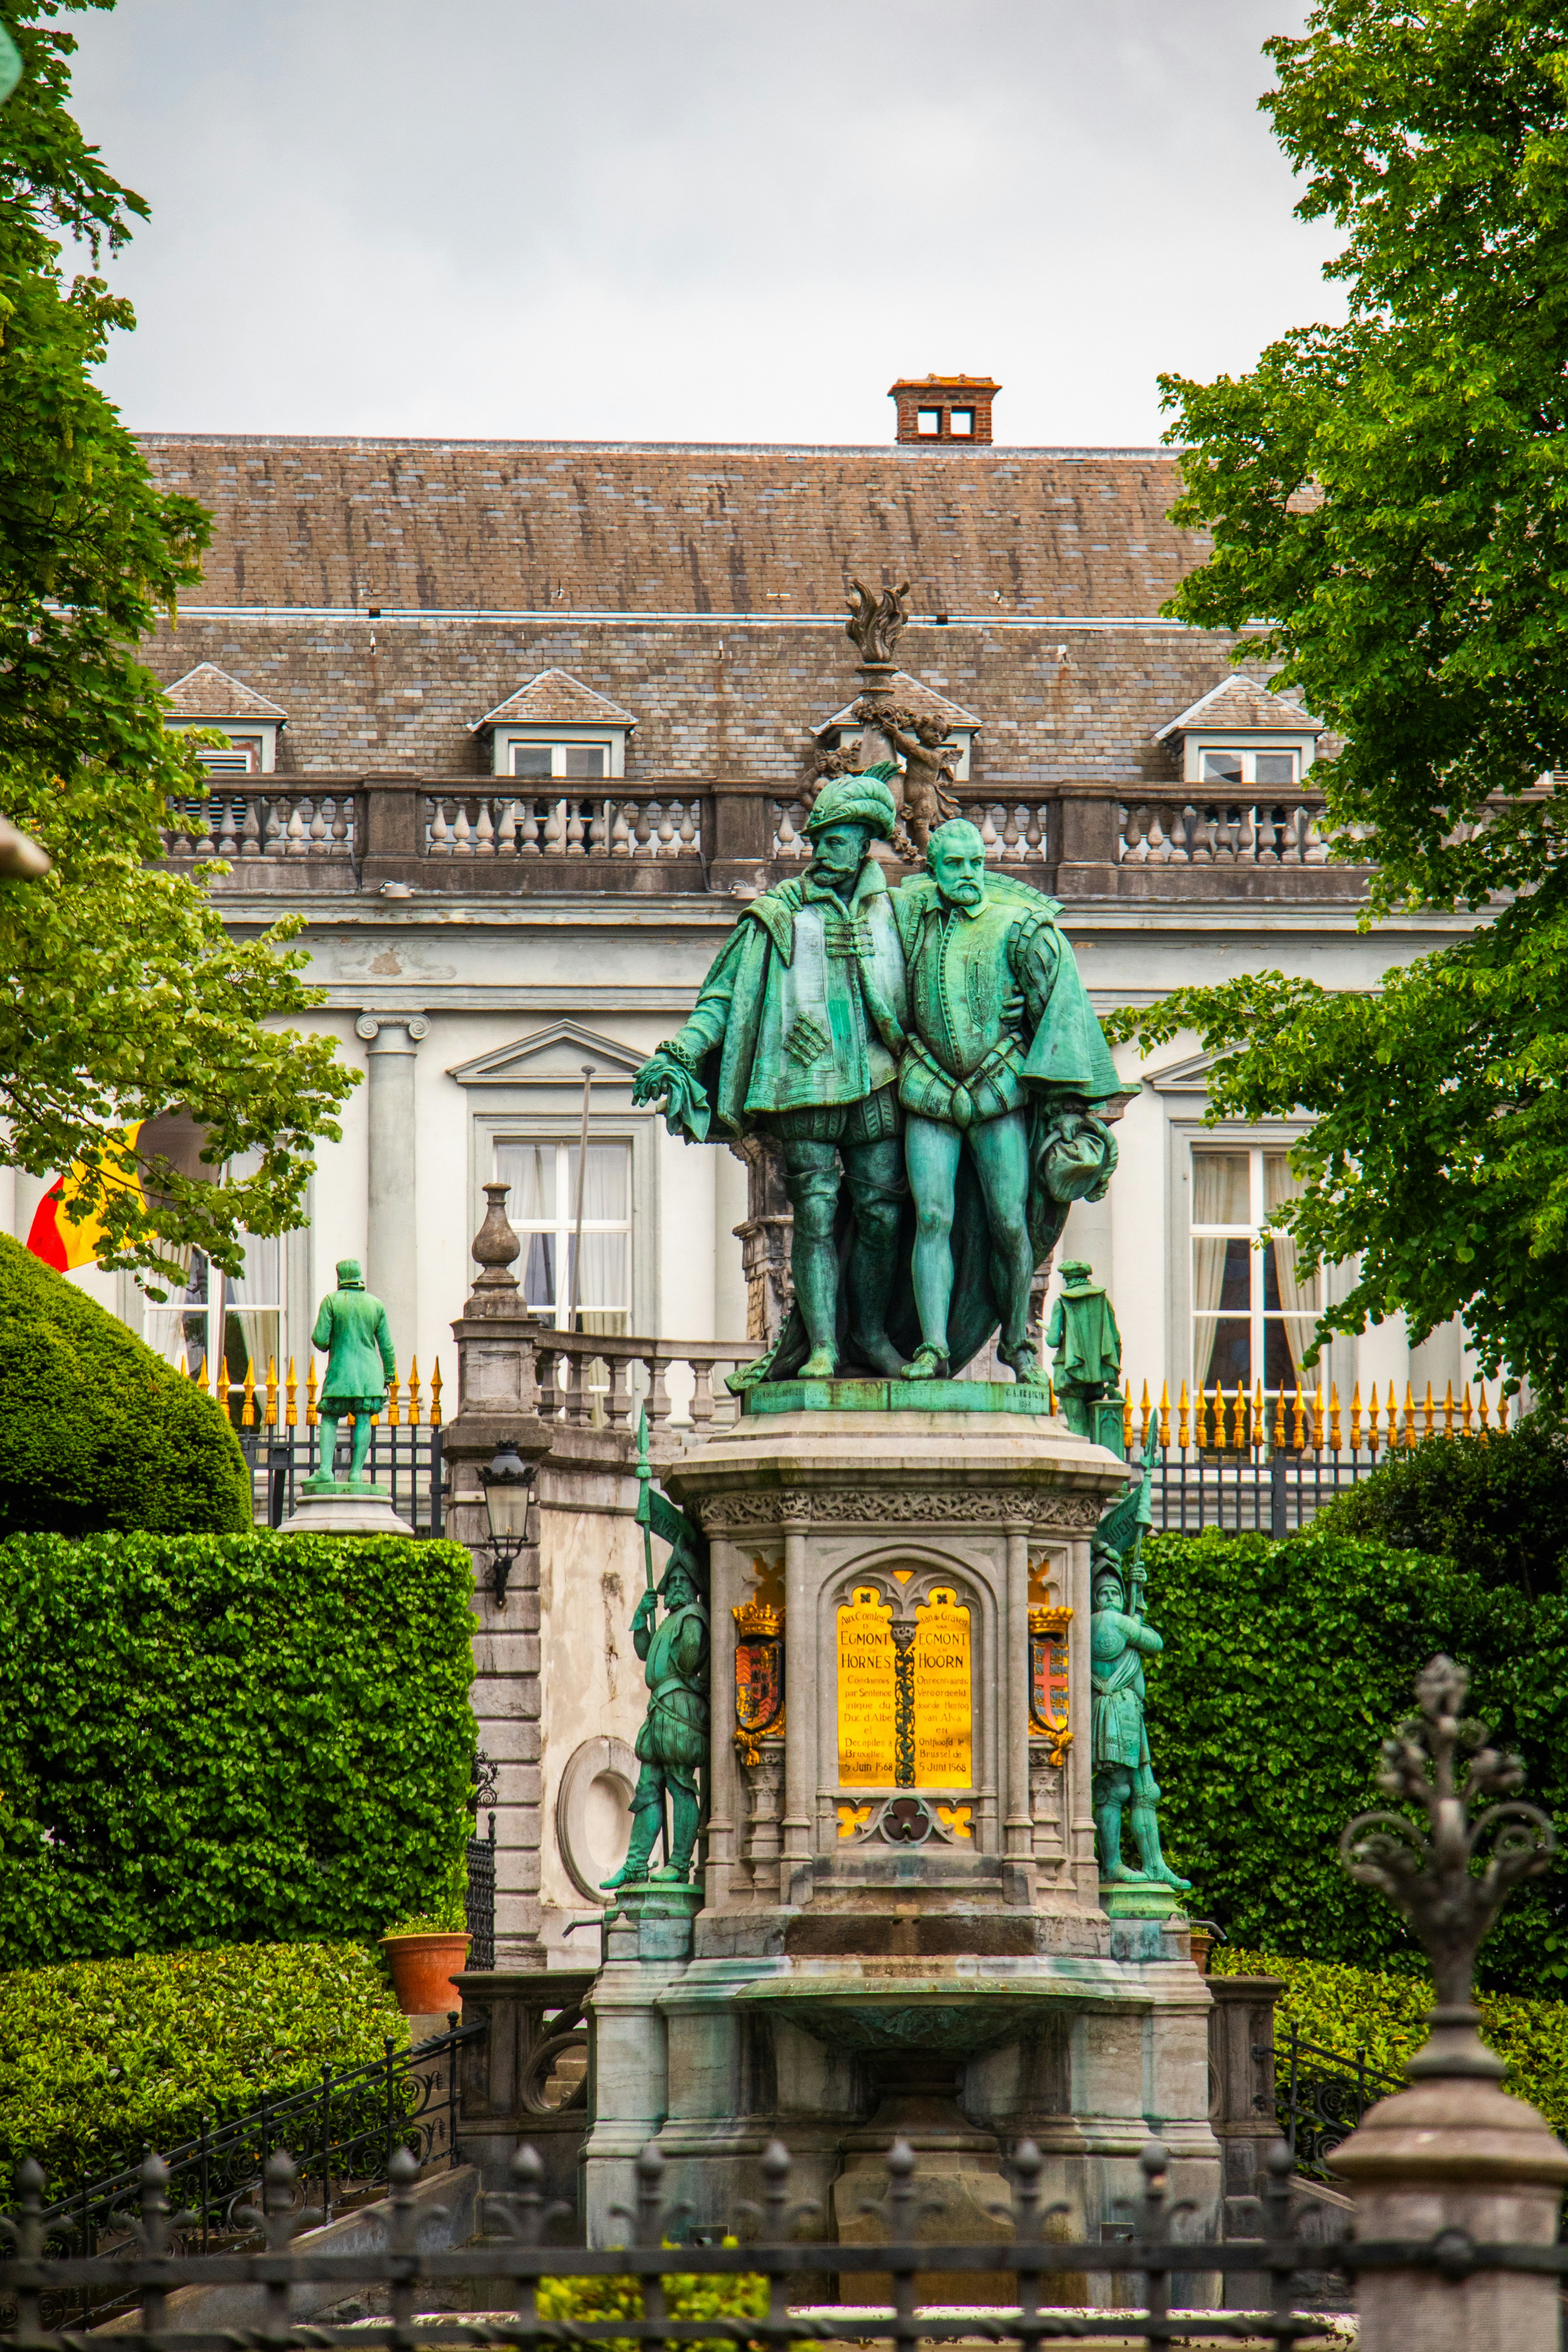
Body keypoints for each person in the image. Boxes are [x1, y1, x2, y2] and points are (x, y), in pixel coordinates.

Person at [631, 768, 911, 1384]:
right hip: (805, 1082)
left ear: (866, 841)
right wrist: (679, 1052)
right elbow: (722, 1001)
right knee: (812, 1212)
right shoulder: (775, 914)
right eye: (821, 837)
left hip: (881, 1076)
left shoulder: (900, 912)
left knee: (883, 1214)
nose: (824, 849)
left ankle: (869, 1332)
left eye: (839, 838)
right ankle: (821, 1345)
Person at [890, 821, 1121, 1383]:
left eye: (975, 863)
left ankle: (1017, 1343)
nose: (967, 875)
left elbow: (1055, 1014)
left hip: (1000, 1088)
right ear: (933, 868)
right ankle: (932, 1347)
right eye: (954, 865)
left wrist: (1068, 1109)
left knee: (1010, 1224)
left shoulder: (1019, 926)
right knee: (932, 1218)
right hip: (928, 1086)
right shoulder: (905, 920)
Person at [601, 1533, 710, 1889]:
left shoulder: (692, 1616)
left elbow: (688, 1656)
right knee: (648, 1788)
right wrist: (642, 1618)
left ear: (693, 1585)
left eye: (682, 1580)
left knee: (680, 1784)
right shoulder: (669, 1620)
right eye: (672, 1581)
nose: (676, 1586)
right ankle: (636, 1864)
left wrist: (680, 1659)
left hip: (679, 1705)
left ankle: (678, 1864)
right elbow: (647, 1651)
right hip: (660, 1707)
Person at [1090, 1553, 1190, 1889]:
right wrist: (1134, 1610)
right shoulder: (1106, 1621)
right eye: (1104, 1593)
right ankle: (1112, 1865)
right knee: (1114, 1789)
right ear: (1093, 1597)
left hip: (1129, 1712)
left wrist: (1139, 1593)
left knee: (1146, 1791)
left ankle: (1155, 1864)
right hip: (1115, 1712)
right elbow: (1154, 1642)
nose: (1109, 1599)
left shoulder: (1121, 1621)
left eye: (1116, 1593)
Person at [306, 1259, 396, 1487]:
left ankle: (326, 1470)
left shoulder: (332, 1301)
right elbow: (387, 1346)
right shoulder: (376, 1304)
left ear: (340, 1277)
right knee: (364, 1419)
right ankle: (356, 1473)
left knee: (329, 1418)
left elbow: (320, 1339)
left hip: (340, 1374)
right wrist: (390, 1376)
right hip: (369, 1375)